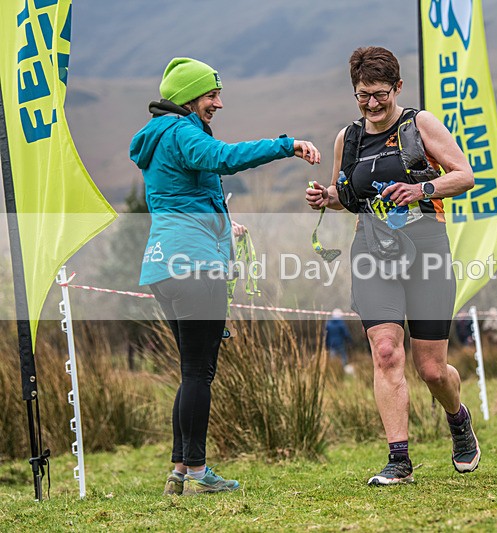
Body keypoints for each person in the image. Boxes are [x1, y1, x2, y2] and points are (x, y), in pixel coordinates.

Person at [130, 57, 320, 496]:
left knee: (190, 371)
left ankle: (180, 469)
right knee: (200, 372)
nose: (218, 102)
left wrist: (221, 225)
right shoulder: (182, 132)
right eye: (211, 95)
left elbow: (178, 199)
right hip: (196, 266)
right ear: (188, 98)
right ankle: (197, 473)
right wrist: (285, 144)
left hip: (164, 264)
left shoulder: (159, 138)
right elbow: (225, 158)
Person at [305, 46, 479, 485]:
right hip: (372, 250)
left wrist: (421, 190)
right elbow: (348, 195)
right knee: (385, 353)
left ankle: (458, 420)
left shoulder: (420, 125)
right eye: (363, 95)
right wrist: (326, 197)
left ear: (397, 88)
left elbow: (464, 174)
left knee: (432, 369)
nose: (372, 104)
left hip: (426, 249)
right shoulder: (349, 138)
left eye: (380, 94)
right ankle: (399, 461)